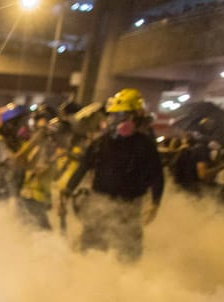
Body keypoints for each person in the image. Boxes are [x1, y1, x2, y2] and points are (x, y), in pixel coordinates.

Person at [63, 88, 164, 263]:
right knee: (90, 249)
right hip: (100, 202)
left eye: (123, 115)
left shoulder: (145, 145)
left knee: (129, 253)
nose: (116, 120)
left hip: (130, 207)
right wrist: (66, 192)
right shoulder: (100, 143)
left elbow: (157, 175)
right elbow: (82, 168)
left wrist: (155, 203)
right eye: (114, 115)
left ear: (135, 116)